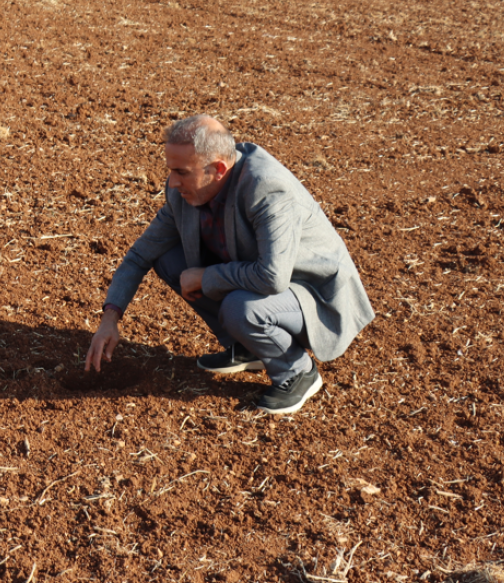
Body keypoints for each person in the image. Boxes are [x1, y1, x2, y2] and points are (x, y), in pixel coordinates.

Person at [85, 115, 373, 414]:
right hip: (262, 284)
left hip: (314, 294)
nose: (171, 182)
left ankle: (296, 371)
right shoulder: (182, 193)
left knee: (241, 308)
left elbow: (272, 277)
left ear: (219, 168)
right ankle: (249, 347)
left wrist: (206, 276)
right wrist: (110, 318)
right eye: (170, 170)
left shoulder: (267, 188)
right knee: (167, 258)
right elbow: (140, 255)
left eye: (181, 172)